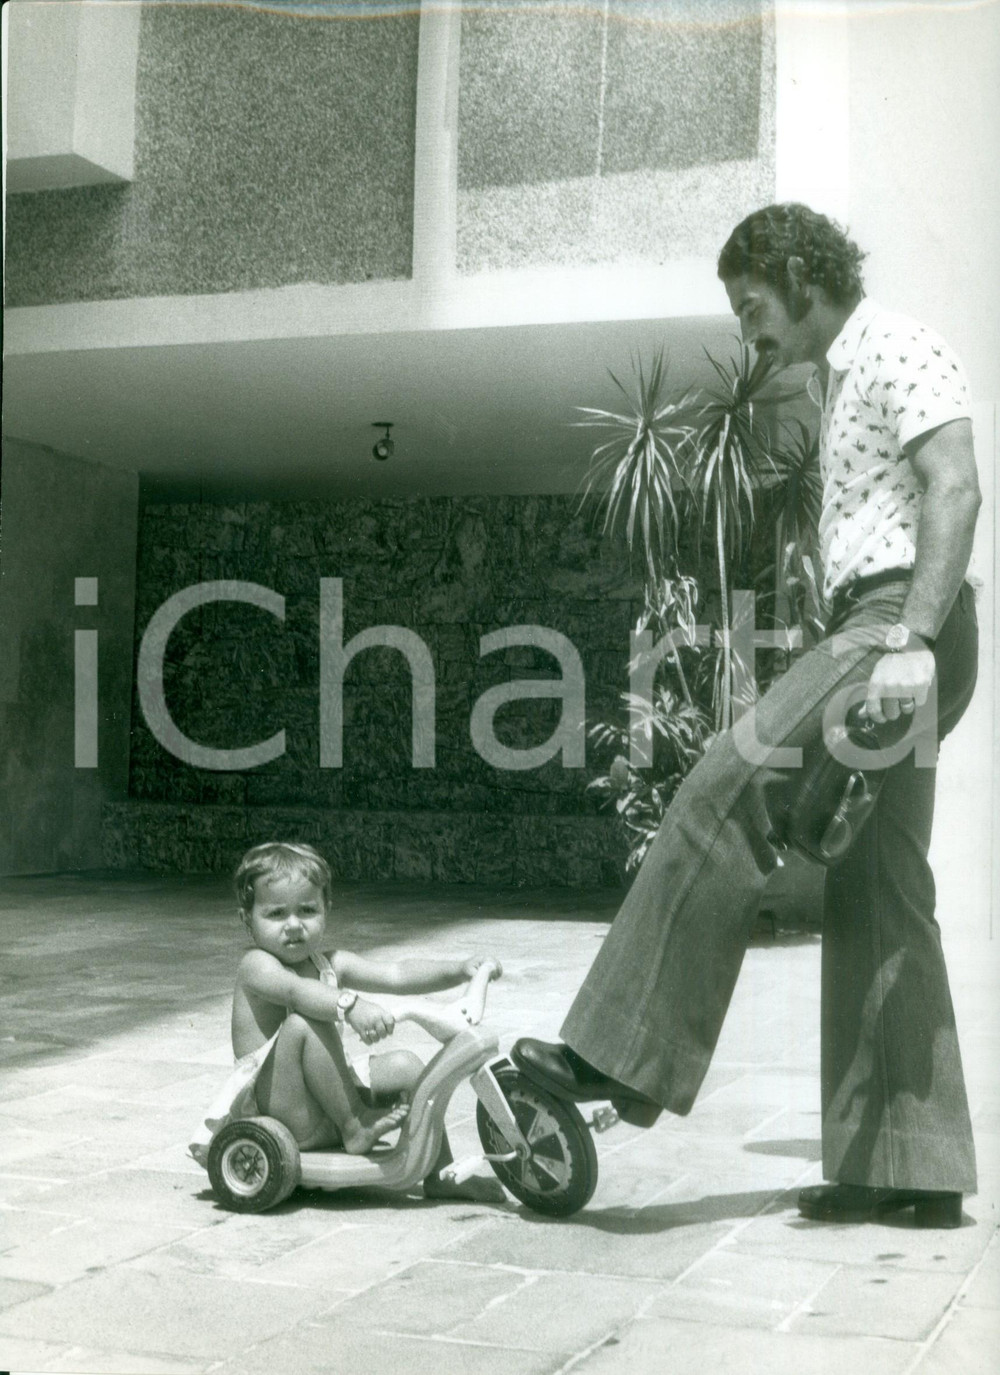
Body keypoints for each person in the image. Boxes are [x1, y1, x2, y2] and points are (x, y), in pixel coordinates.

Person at [514, 203, 981, 1229]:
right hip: (896, 625)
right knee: (879, 884)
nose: (748, 334)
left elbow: (956, 485)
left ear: (801, 272)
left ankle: (611, 1055)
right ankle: (905, 1164)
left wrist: (906, 638)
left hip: (897, 623)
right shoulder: (838, 378)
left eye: (752, 305)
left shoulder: (898, 343)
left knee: (727, 782)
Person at [190, 840, 502, 1199]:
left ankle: (439, 1172)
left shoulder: (330, 963)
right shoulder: (256, 967)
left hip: (326, 1107)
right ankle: (355, 1123)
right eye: (276, 914)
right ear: (247, 920)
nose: (293, 925)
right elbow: (297, 993)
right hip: (286, 1114)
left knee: (408, 1065)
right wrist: (350, 1005)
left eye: (307, 910)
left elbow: (396, 974)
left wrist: (459, 970)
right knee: (303, 1022)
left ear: (327, 908)